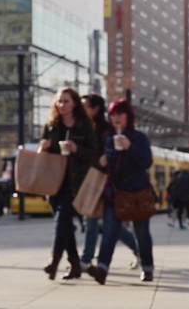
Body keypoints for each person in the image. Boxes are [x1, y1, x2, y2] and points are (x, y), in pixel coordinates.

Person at [86, 99, 154, 284]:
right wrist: (102, 162)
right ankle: (102, 269)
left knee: (142, 234)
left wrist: (129, 147)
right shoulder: (109, 139)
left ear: (128, 116)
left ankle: (147, 267)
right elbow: (109, 166)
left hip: (137, 194)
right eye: (113, 114)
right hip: (115, 194)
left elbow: (146, 162)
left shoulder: (139, 138)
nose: (116, 118)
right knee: (110, 231)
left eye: (120, 114)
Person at [39, 87, 97, 280]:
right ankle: (74, 264)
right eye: (59, 101)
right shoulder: (51, 126)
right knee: (64, 224)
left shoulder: (84, 126)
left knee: (61, 220)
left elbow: (93, 154)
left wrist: (76, 149)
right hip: (53, 180)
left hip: (74, 182)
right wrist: (43, 148)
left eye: (66, 101)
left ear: (74, 104)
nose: (61, 105)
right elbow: (43, 152)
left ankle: (54, 262)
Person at [79, 94, 139, 273]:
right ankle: (87, 260)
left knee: (107, 224)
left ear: (96, 108)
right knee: (94, 221)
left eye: (86, 107)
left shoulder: (106, 129)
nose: (82, 110)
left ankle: (137, 250)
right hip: (92, 177)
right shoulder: (84, 128)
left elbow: (108, 155)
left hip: (106, 181)